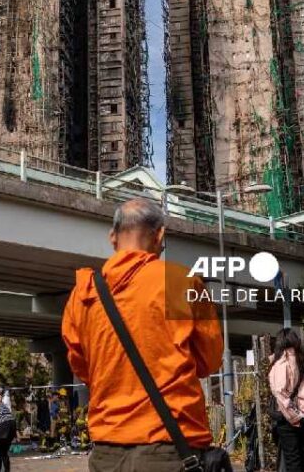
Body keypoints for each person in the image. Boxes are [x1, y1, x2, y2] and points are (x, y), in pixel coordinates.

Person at [62, 198, 223, 472]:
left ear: (113, 237)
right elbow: (209, 360)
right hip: (172, 446)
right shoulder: (180, 281)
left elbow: (82, 367)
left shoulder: (83, 294)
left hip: (107, 450)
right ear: (160, 234)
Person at [268, 327, 304, 472]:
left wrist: (293, 416)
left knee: (293, 460)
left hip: (289, 420)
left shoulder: (281, 364)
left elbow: (280, 392)